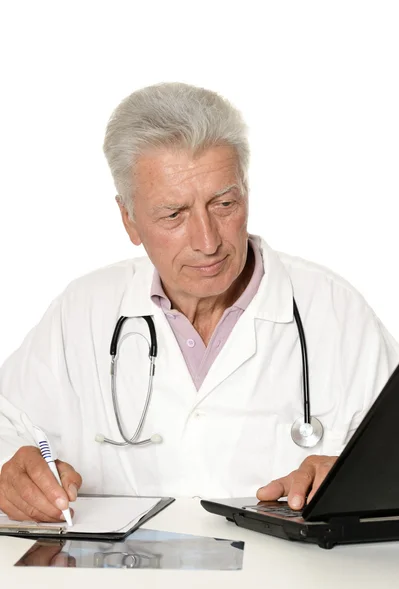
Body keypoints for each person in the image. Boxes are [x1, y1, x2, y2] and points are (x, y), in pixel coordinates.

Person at [0, 83, 398, 524]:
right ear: (128, 218)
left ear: (246, 192)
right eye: (174, 214)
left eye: (224, 204)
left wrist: (355, 483)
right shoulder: (83, 311)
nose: (208, 242)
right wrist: (9, 470)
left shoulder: (336, 313)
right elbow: (6, 421)